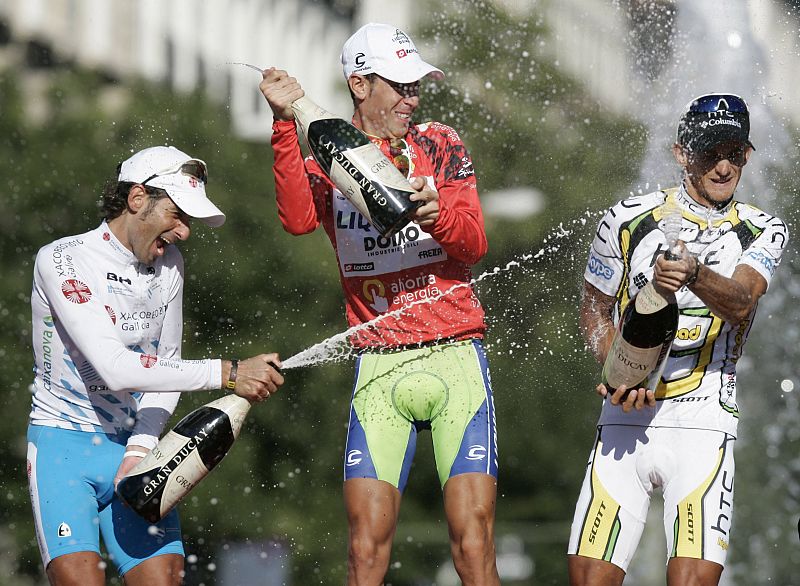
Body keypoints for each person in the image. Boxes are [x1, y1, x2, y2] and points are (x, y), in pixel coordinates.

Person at [259, 22, 499, 586]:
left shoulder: (439, 142)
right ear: (360, 84)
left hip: (455, 356)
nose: (413, 99)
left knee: (473, 542)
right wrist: (281, 123)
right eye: (401, 86)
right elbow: (297, 221)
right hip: (379, 363)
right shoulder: (325, 152)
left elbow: (475, 244)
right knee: (366, 551)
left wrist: (433, 213)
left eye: (417, 87)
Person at [27, 146, 285, 586]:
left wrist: (138, 451)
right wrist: (228, 372)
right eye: (177, 214)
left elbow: (166, 369)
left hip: (135, 447)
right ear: (137, 199)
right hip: (62, 447)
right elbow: (114, 367)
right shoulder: (62, 259)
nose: (184, 232)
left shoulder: (170, 265)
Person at [567, 93, 788, 585]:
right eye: (710, 151)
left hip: (703, 423)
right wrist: (618, 369)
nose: (724, 165)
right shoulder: (625, 217)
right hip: (625, 420)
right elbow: (593, 309)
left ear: (748, 154)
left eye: (734, 150)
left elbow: (740, 303)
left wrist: (693, 272)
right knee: (587, 579)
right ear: (682, 152)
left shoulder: (764, 228)